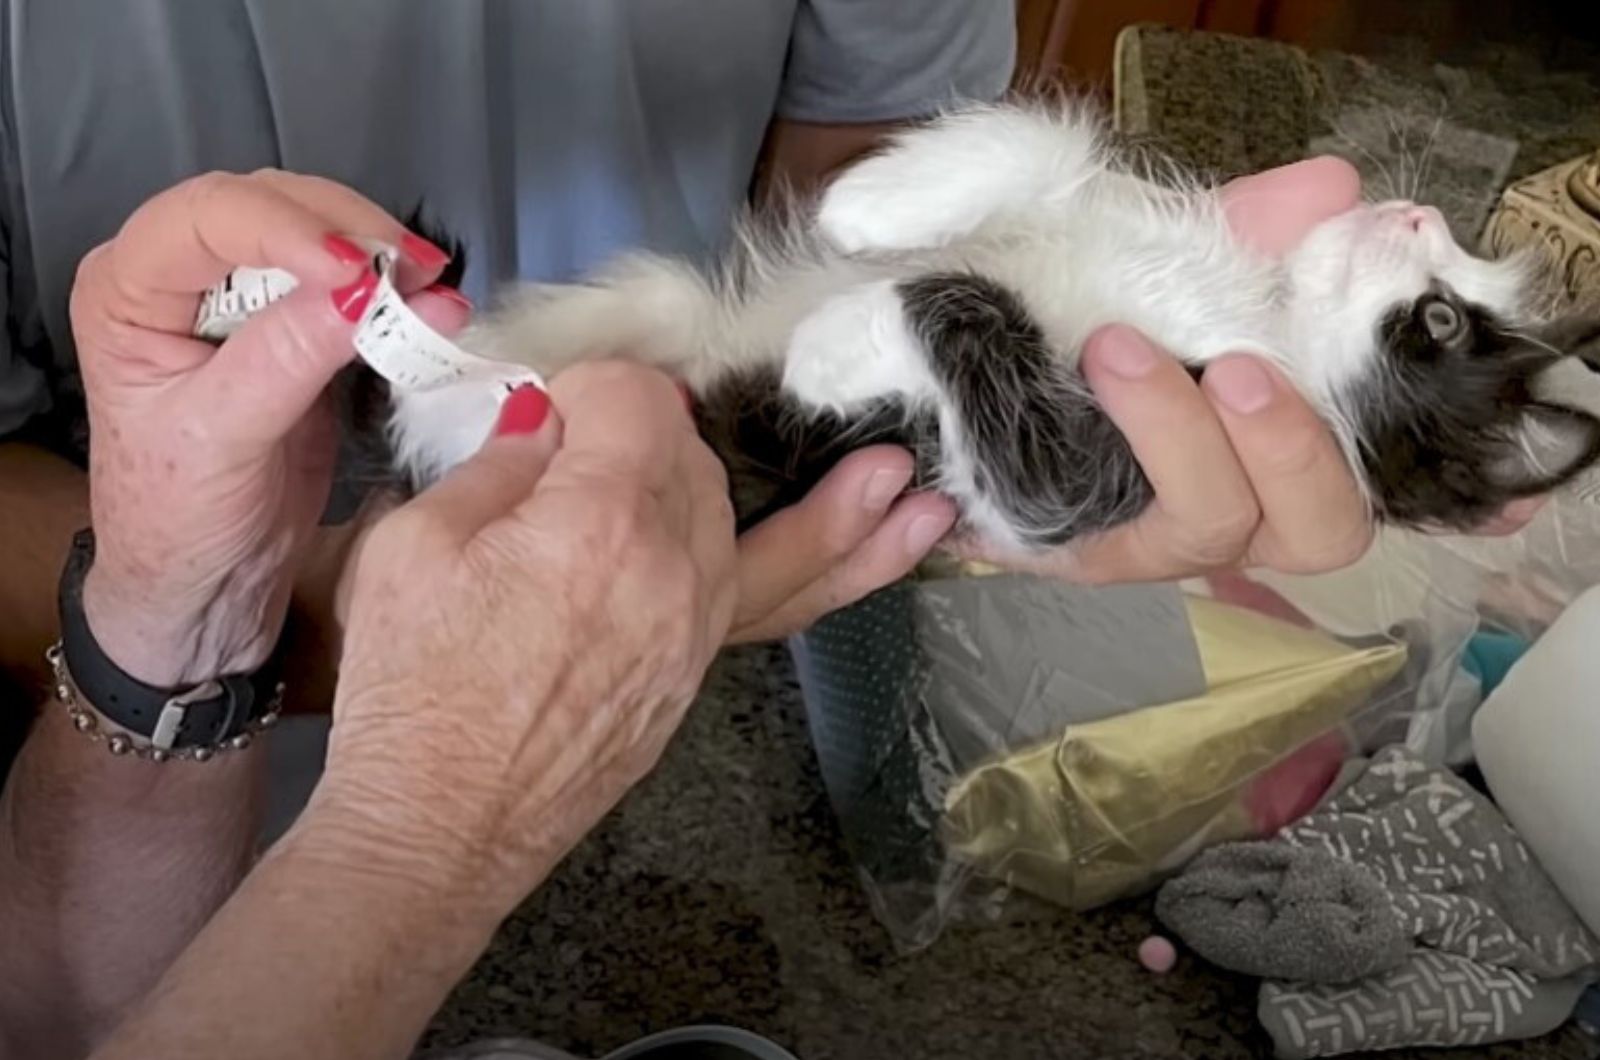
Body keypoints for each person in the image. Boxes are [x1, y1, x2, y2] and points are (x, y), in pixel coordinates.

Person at [0, 4, 1538, 1058]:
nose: (1422, 222)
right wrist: (422, 823)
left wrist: (182, 611)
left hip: (226, 674)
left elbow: (850, 216)